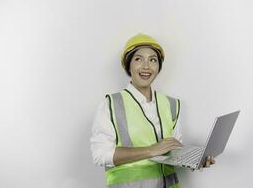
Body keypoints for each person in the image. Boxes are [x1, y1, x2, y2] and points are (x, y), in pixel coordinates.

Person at [90, 33, 215, 188]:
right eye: (138, 59)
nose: (146, 66)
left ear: (159, 67)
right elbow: (100, 155)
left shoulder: (172, 104)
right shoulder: (111, 104)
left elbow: (172, 154)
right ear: (129, 65)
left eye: (153, 60)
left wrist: (194, 160)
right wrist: (150, 150)